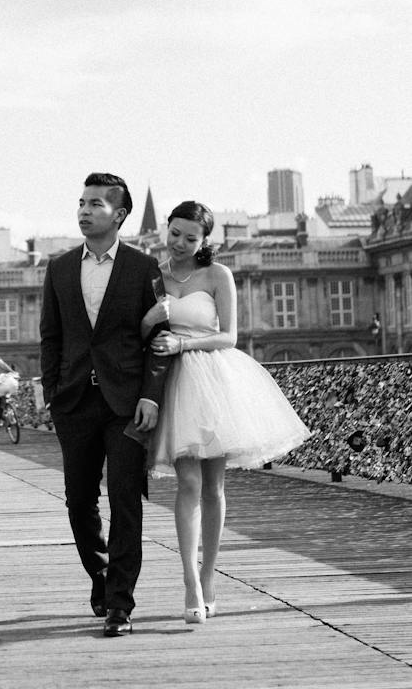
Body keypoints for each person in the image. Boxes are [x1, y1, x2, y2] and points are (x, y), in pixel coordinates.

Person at [143, 201, 311, 624]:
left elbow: (230, 336)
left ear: (204, 241)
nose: (180, 243)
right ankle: (190, 583)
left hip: (211, 377)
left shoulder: (219, 275)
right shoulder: (151, 276)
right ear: (167, 229)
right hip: (172, 383)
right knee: (188, 481)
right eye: (175, 233)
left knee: (214, 487)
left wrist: (183, 343)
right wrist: (149, 322)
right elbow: (136, 331)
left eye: (190, 237)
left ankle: (209, 573)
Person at [40, 172, 165, 637]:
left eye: (95, 203)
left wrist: (152, 394)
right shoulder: (58, 267)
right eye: (81, 201)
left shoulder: (143, 267)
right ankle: (101, 574)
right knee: (78, 502)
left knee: (126, 501)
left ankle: (120, 605)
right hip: (74, 400)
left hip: (127, 402)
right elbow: (51, 336)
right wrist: (52, 391)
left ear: (120, 214)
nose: (84, 210)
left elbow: (160, 337)